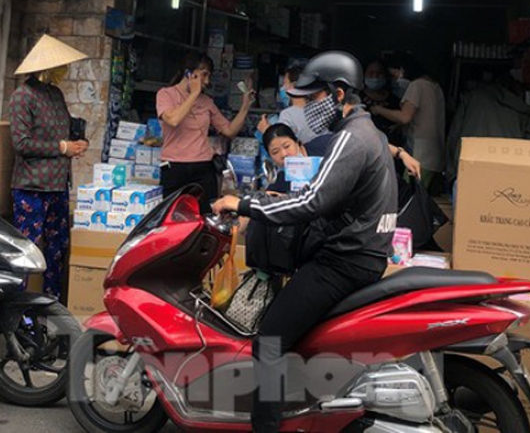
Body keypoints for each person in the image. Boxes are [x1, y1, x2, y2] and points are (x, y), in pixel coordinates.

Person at [212, 51, 398, 433]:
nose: (309, 107)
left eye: (314, 98)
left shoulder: (351, 138)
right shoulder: (372, 134)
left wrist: (244, 203)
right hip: (361, 254)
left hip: (344, 261)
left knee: (269, 339)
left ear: (340, 94)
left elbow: (312, 200)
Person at [8, 35, 89, 297]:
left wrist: (77, 141)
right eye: (60, 66)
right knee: (27, 250)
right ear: (47, 68)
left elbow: (62, 130)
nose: (64, 71)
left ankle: (51, 302)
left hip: (58, 184)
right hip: (31, 187)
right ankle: (17, 304)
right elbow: (21, 143)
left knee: (57, 248)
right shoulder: (23, 96)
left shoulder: (55, 94)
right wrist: (62, 148)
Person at [156, 52, 253, 213]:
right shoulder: (166, 94)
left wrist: (245, 107)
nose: (207, 82)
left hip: (203, 167)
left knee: (206, 215)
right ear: (189, 73)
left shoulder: (206, 101)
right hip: (175, 167)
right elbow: (173, 119)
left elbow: (228, 130)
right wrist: (193, 94)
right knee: (171, 216)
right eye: (204, 75)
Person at [370, 52, 446, 195]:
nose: (395, 78)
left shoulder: (416, 86)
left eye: (394, 74)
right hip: (435, 158)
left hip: (420, 157)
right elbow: (425, 117)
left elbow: (405, 117)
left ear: (403, 69)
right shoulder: (434, 86)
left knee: (408, 200)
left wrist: (379, 109)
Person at [361, 59, 405, 148]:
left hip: (392, 149)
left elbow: (404, 118)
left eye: (379, 73)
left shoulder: (395, 100)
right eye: (371, 73)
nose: (375, 76)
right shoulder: (357, 98)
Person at [262, 123, 308, 193]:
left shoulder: (324, 146)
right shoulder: (278, 183)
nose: (284, 154)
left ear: (297, 142)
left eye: (287, 146)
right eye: (275, 152)